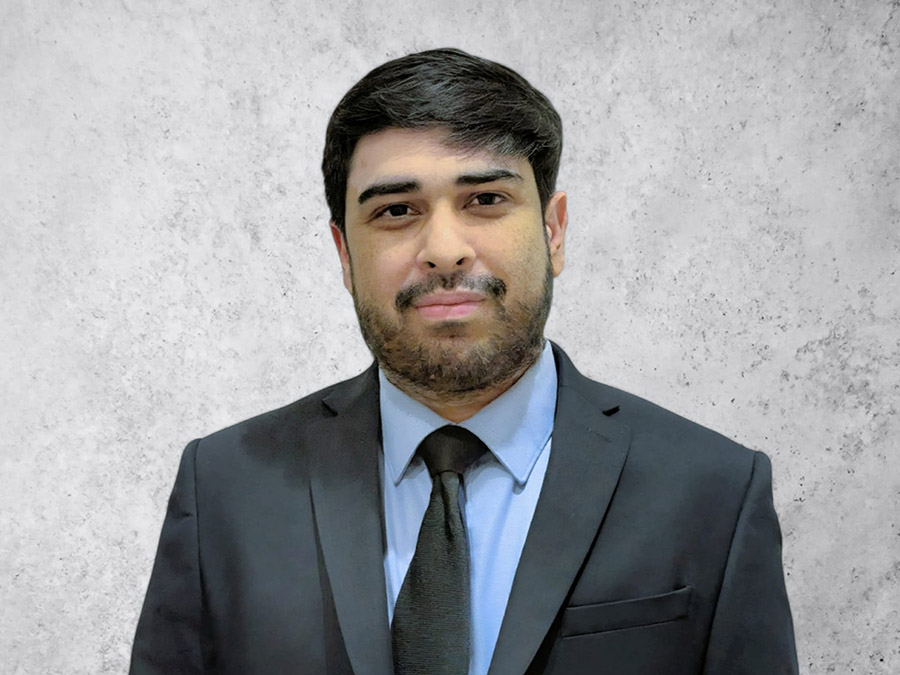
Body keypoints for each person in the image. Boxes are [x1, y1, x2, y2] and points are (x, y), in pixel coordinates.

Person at [130, 48, 798, 675]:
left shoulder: (712, 491)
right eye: (397, 210)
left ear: (553, 231)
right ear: (343, 254)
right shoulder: (225, 490)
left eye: (485, 200)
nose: (444, 249)